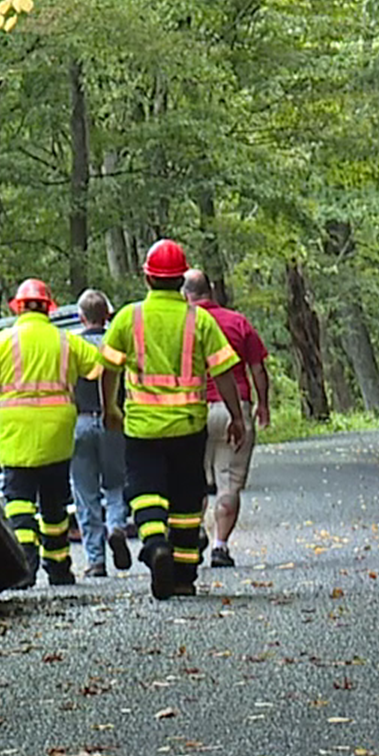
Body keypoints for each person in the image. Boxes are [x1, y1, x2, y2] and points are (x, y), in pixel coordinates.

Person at [100, 240, 248, 600]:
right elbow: (225, 372)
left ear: (147, 277)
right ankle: (183, 576)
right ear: (181, 279)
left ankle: (154, 545)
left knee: (144, 491)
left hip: (142, 427)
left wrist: (110, 409)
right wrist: (236, 415)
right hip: (187, 426)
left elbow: (107, 369)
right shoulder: (199, 320)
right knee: (185, 500)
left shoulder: (128, 317)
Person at [0, 278, 106, 586]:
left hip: (16, 435)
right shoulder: (65, 341)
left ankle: (25, 568)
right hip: (57, 435)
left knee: (19, 503)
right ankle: (58, 570)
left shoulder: (3, 342)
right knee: (54, 506)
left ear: (18, 307)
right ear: (49, 308)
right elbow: (98, 368)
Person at [181, 269, 272, 569]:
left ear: (186, 294)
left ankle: (193, 533)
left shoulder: (183, 324)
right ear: (211, 290)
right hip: (234, 407)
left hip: (193, 409)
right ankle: (220, 545)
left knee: (193, 479)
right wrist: (262, 405)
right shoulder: (237, 322)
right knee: (229, 483)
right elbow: (258, 368)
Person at [69, 289, 132, 578]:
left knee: (85, 493)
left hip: (80, 422)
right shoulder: (117, 344)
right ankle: (117, 525)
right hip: (113, 421)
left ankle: (96, 560)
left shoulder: (71, 346)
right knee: (115, 483)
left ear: (81, 316)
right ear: (107, 315)